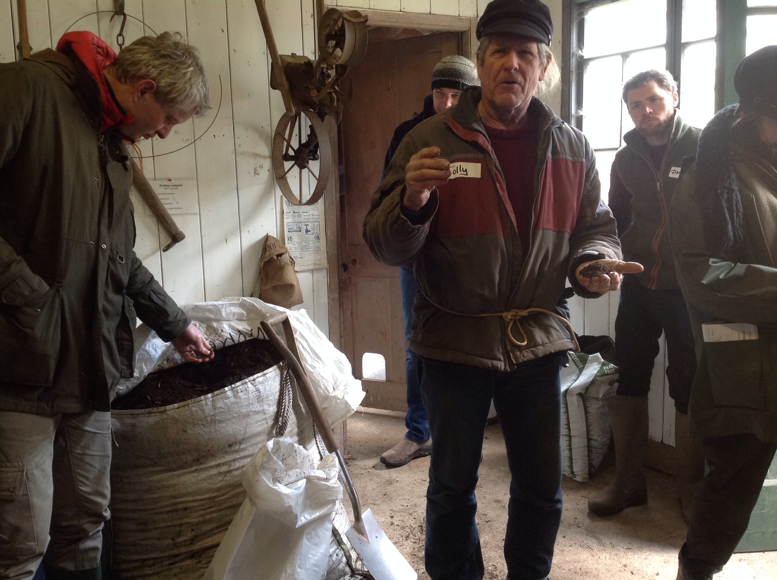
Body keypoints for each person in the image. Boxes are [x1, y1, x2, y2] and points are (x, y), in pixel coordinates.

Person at [363, 0, 642, 576]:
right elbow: (385, 245)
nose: (511, 63)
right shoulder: (428, 139)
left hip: (537, 339)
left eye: (525, 53)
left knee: (540, 489)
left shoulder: (572, 146)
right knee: (451, 487)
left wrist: (592, 263)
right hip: (453, 341)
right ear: (481, 60)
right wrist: (412, 200)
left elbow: (595, 228)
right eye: (499, 52)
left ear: (544, 66)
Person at [0, 31, 214, 579]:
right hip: (19, 368)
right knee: (19, 543)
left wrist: (174, 323)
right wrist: (31, 300)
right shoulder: (26, 89)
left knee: (86, 525)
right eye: (168, 119)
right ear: (143, 89)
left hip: (88, 367)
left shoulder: (111, 143)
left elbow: (117, 257)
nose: (164, 133)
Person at [670, 46, 777, 580]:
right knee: (731, 485)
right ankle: (697, 570)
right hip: (744, 363)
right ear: (754, 113)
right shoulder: (709, 175)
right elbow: (700, 274)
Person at [588, 70, 704, 522]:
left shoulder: (704, 148)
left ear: (674, 96)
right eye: (635, 105)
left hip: (688, 288)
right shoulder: (625, 159)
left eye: (653, 100)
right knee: (630, 375)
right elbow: (615, 219)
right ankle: (629, 483)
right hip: (637, 283)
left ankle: (690, 488)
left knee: (689, 383)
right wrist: (609, 260)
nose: (645, 111)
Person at [379, 54, 480, 469]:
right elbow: (387, 198)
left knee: (469, 342)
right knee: (416, 344)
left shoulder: (483, 133)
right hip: (418, 257)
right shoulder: (409, 134)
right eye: (441, 93)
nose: (447, 103)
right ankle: (419, 431)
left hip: (469, 257)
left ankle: (459, 431)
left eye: (456, 95)